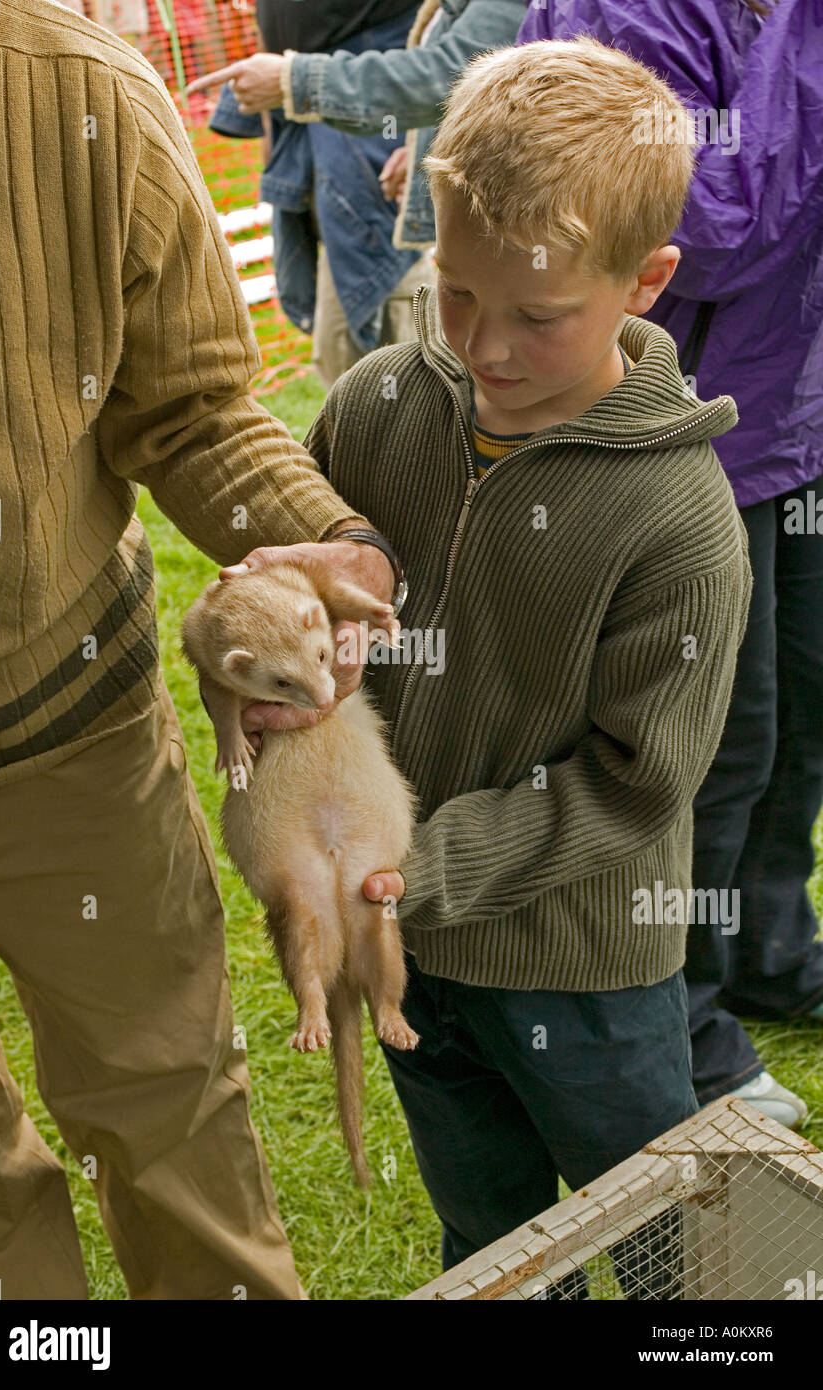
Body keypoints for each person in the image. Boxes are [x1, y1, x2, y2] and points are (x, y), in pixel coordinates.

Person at [0, 0, 403, 1300]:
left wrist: (336, 542)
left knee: (164, 1107)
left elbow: (197, 406)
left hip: (66, 731)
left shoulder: (81, 89)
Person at [300, 35, 752, 1289]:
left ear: (646, 281)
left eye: (539, 316)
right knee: (490, 1242)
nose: (484, 347)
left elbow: (634, 779)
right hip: (405, 965)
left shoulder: (679, 520)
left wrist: (407, 866)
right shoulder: (381, 403)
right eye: (454, 292)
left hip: (582, 968)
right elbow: (312, 603)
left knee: (665, 1241)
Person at [518, 0, 823, 1131]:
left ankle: (764, 948)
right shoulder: (624, 11)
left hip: (788, 420)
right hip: (671, 428)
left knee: (799, 711)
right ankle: (683, 1025)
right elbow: (717, 228)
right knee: (708, 745)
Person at [185, 0, 529, 383]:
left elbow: (456, 70)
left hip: (376, 133)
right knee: (343, 350)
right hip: (337, 127)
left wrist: (294, 81)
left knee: (403, 356)